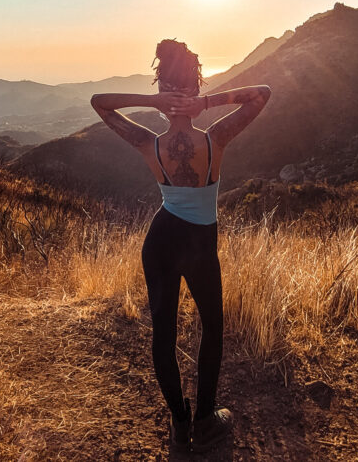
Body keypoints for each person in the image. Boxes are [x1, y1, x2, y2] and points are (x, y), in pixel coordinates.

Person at [90, 38, 271, 452]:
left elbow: (100, 102)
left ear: (165, 90)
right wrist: (204, 105)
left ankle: (179, 422)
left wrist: (154, 101)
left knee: (163, 335)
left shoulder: (148, 144)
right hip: (199, 243)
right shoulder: (216, 138)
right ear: (194, 88)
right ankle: (205, 420)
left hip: (162, 240)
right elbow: (262, 94)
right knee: (213, 329)